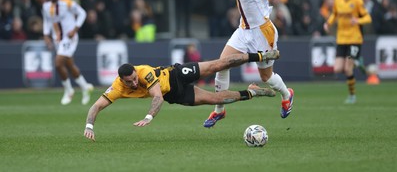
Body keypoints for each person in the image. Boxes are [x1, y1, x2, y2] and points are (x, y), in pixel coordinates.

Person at [83, 50, 280, 141]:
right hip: (175, 95)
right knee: (216, 99)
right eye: (130, 82)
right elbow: (96, 106)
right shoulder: (117, 88)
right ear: (121, 80)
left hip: (175, 74)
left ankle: (261, 56)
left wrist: (148, 117)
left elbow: (157, 97)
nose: (135, 83)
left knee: (217, 65)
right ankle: (253, 91)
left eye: (134, 78)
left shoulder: (143, 72)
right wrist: (89, 126)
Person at [203, 0, 294, 128]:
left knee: (266, 78)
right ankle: (219, 111)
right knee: (221, 65)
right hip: (244, 30)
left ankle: (287, 95)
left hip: (262, 31)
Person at [42, 0, 94, 105]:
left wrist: (75, 30)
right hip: (57, 39)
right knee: (69, 65)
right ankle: (85, 87)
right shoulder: (46, 6)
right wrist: (46, 35)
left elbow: (82, 13)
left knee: (58, 63)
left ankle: (69, 90)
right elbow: (47, 21)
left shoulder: (67, 2)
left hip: (69, 37)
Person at [323, 0, 372, 104]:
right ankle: (357, 61)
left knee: (348, 69)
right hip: (341, 38)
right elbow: (334, 14)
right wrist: (328, 23)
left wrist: (358, 20)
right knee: (338, 69)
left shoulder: (357, 1)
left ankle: (352, 95)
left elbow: (368, 17)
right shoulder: (337, 0)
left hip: (354, 39)